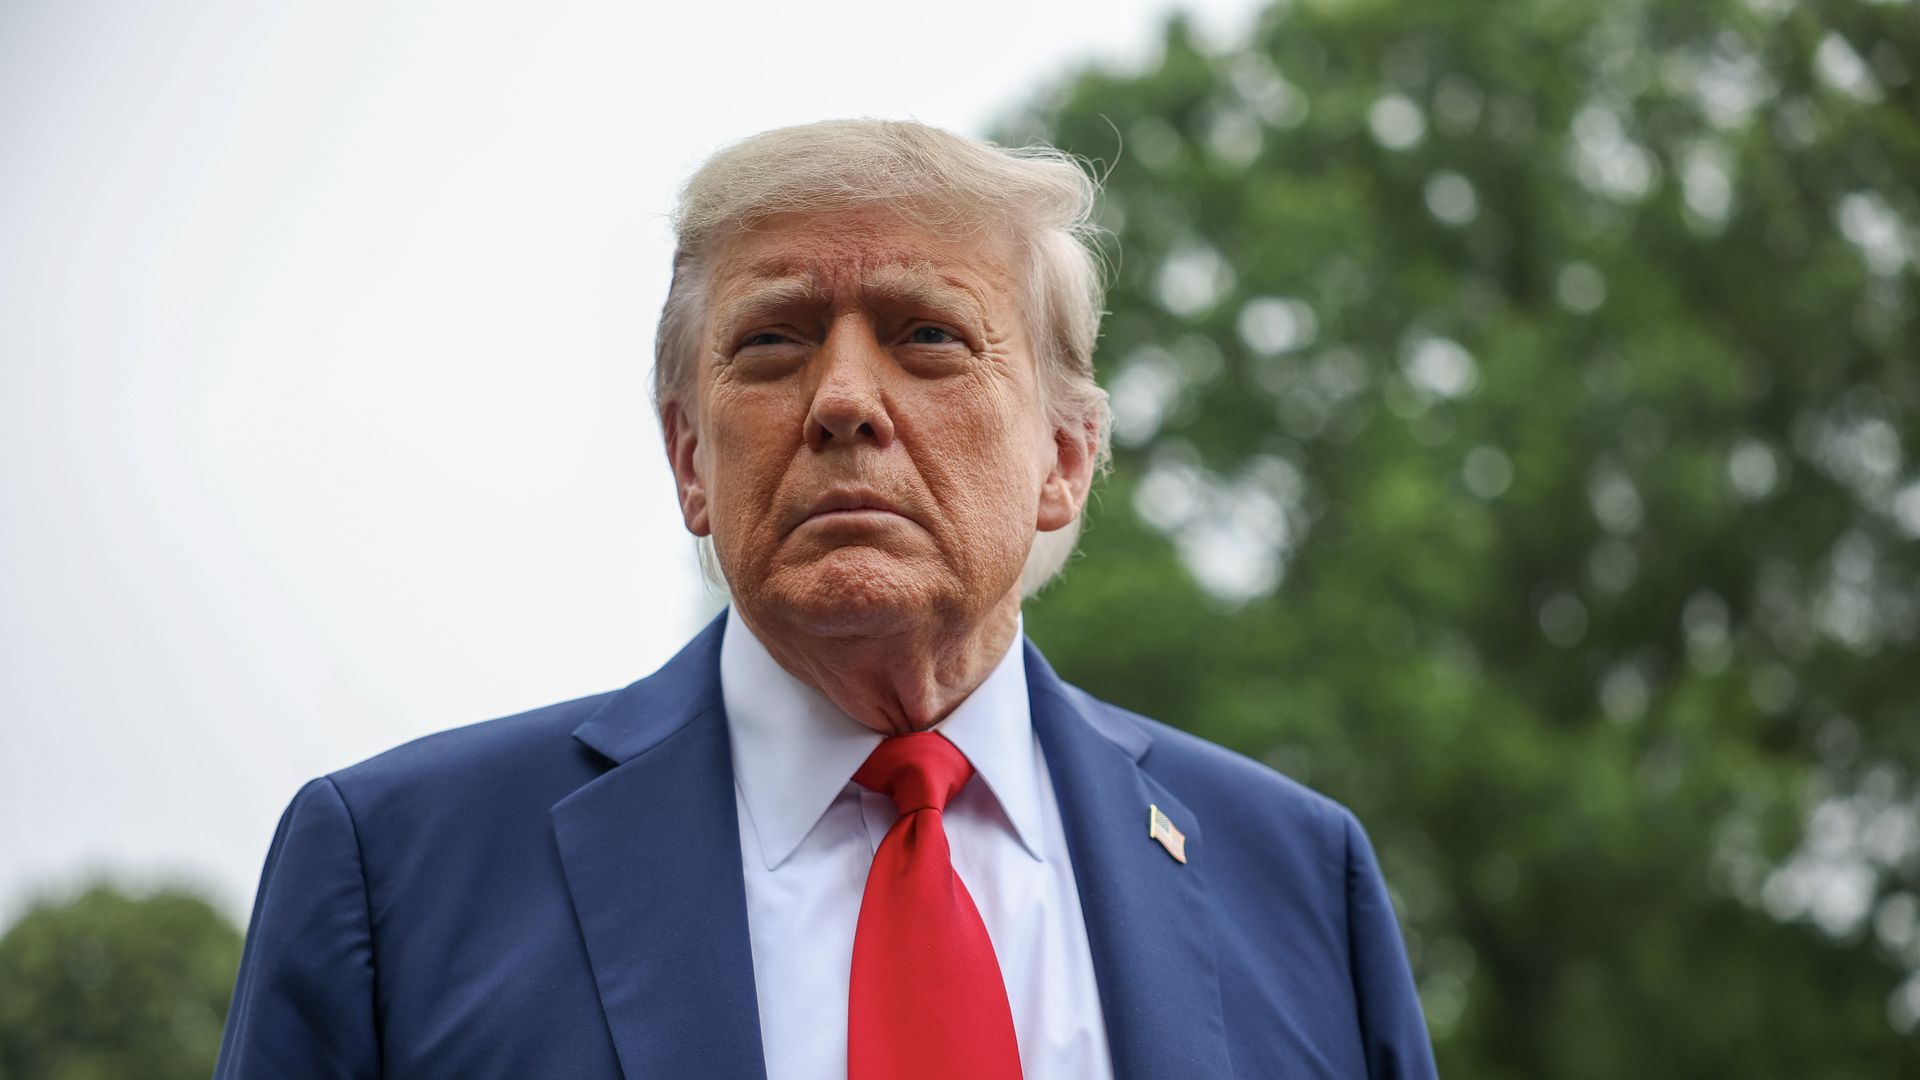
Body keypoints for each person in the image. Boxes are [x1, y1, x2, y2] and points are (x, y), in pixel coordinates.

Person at [214, 119, 1438, 1080]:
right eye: (775, 343)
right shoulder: (393, 874)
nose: (844, 398)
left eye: (926, 337)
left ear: (1064, 459)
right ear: (691, 460)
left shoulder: (1296, 878)